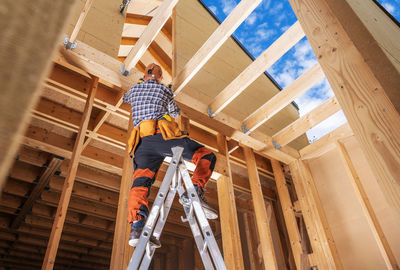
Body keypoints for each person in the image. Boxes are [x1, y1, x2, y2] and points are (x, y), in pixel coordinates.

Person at [123, 63, 218, 247]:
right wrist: (169, 93)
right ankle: (195, 192)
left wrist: (138, 86)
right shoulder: (163, 90)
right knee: (206, 155)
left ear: (144, 76)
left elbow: (125, 98)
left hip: (141, 144)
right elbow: (175, 112)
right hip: (163, 136)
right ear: (159, 78)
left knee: (141, 182)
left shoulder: (134, 90)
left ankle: (137, 226)